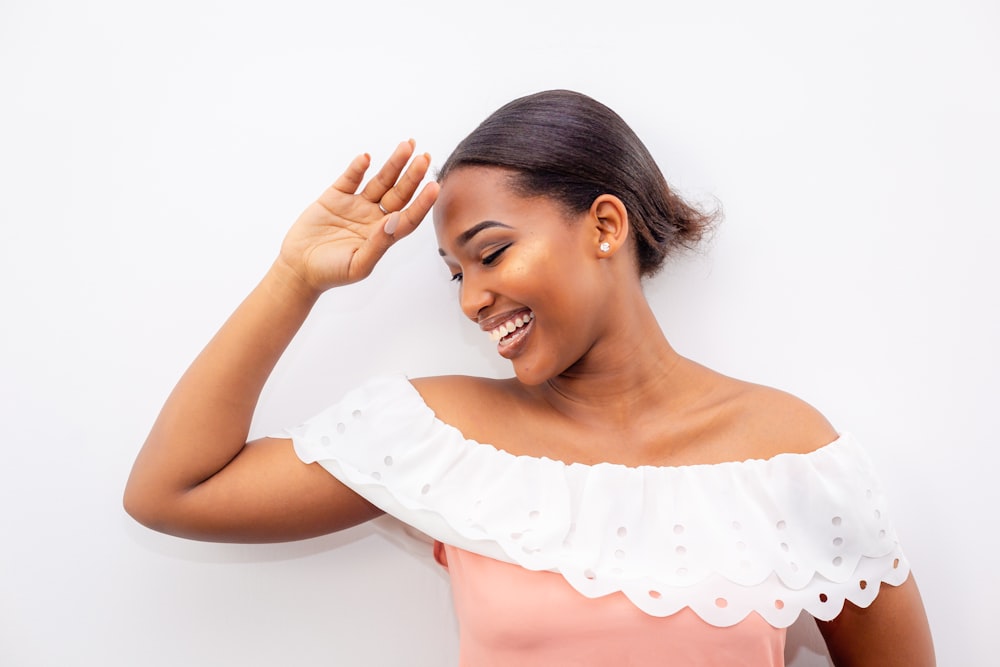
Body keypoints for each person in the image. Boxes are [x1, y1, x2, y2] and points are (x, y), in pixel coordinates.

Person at [124, 90, 934, 666]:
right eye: (454, 275)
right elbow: (173, 491)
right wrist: (293, 277)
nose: (474, 298)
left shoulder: (793, 456)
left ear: (605, 225)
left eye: (491, 251)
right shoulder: (442, 437)